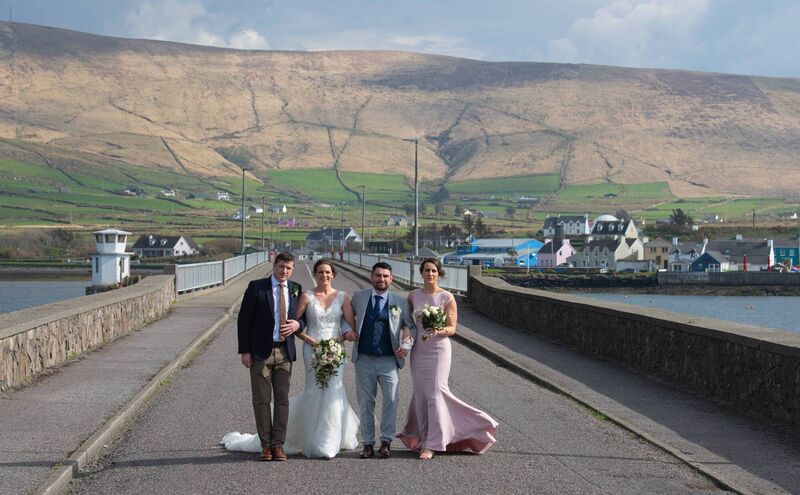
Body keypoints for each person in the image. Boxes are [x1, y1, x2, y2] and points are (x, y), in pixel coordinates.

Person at [397, 258, 498, 460]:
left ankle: (432, 444)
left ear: (439, 273)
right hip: (419, 351)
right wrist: (406, 339)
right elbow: (409, 323)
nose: (430, 274)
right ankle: (422, 437)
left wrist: (438, 330)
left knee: (435, 392)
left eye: (434, 271)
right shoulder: (413, 296)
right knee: (420, 393)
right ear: (421, 273)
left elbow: (452, 328)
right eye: (426, 270)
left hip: (438, 349)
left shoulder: (446, 297)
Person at [280, 259, 360, 458]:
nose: (324, 276)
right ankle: (312, 436)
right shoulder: (306, 296)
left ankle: (329, 440)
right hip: (312, 349)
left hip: (335, 348)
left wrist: (339, 339)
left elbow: (351, 327)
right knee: (315, 389)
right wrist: (307, 339)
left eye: (327, 272)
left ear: (333, 274)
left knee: (334, 389)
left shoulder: (343, 297)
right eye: (320, 272)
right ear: (315, 274)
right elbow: (296, 324)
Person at [233, 252, 304, 462]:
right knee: (262, 400)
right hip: (260, 353)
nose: (284, 271)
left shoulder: (296, 289)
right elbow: (244, 320)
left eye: (289, 268)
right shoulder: (257, 287)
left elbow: (304, 318)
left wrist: (298, 324)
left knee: (282, 401)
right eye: (281, 266)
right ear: (274, 266)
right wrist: (245, 351)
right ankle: (265, 446)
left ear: (292, 270)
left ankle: (278, 445)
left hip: (285, 352)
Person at [344, 261, 415, 459]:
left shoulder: (400, 302)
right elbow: (345, 319)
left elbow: (409, 325)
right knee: (366, 402)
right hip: (364, 358)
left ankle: (386, 441)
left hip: (389, 360)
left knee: (391, 400)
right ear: (371, 277)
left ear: (391, 279)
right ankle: (367, 443)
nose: (381, 279)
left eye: (385, 276)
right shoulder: (359, 297)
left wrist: (406, 345)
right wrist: (347, 331)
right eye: (378, 275)